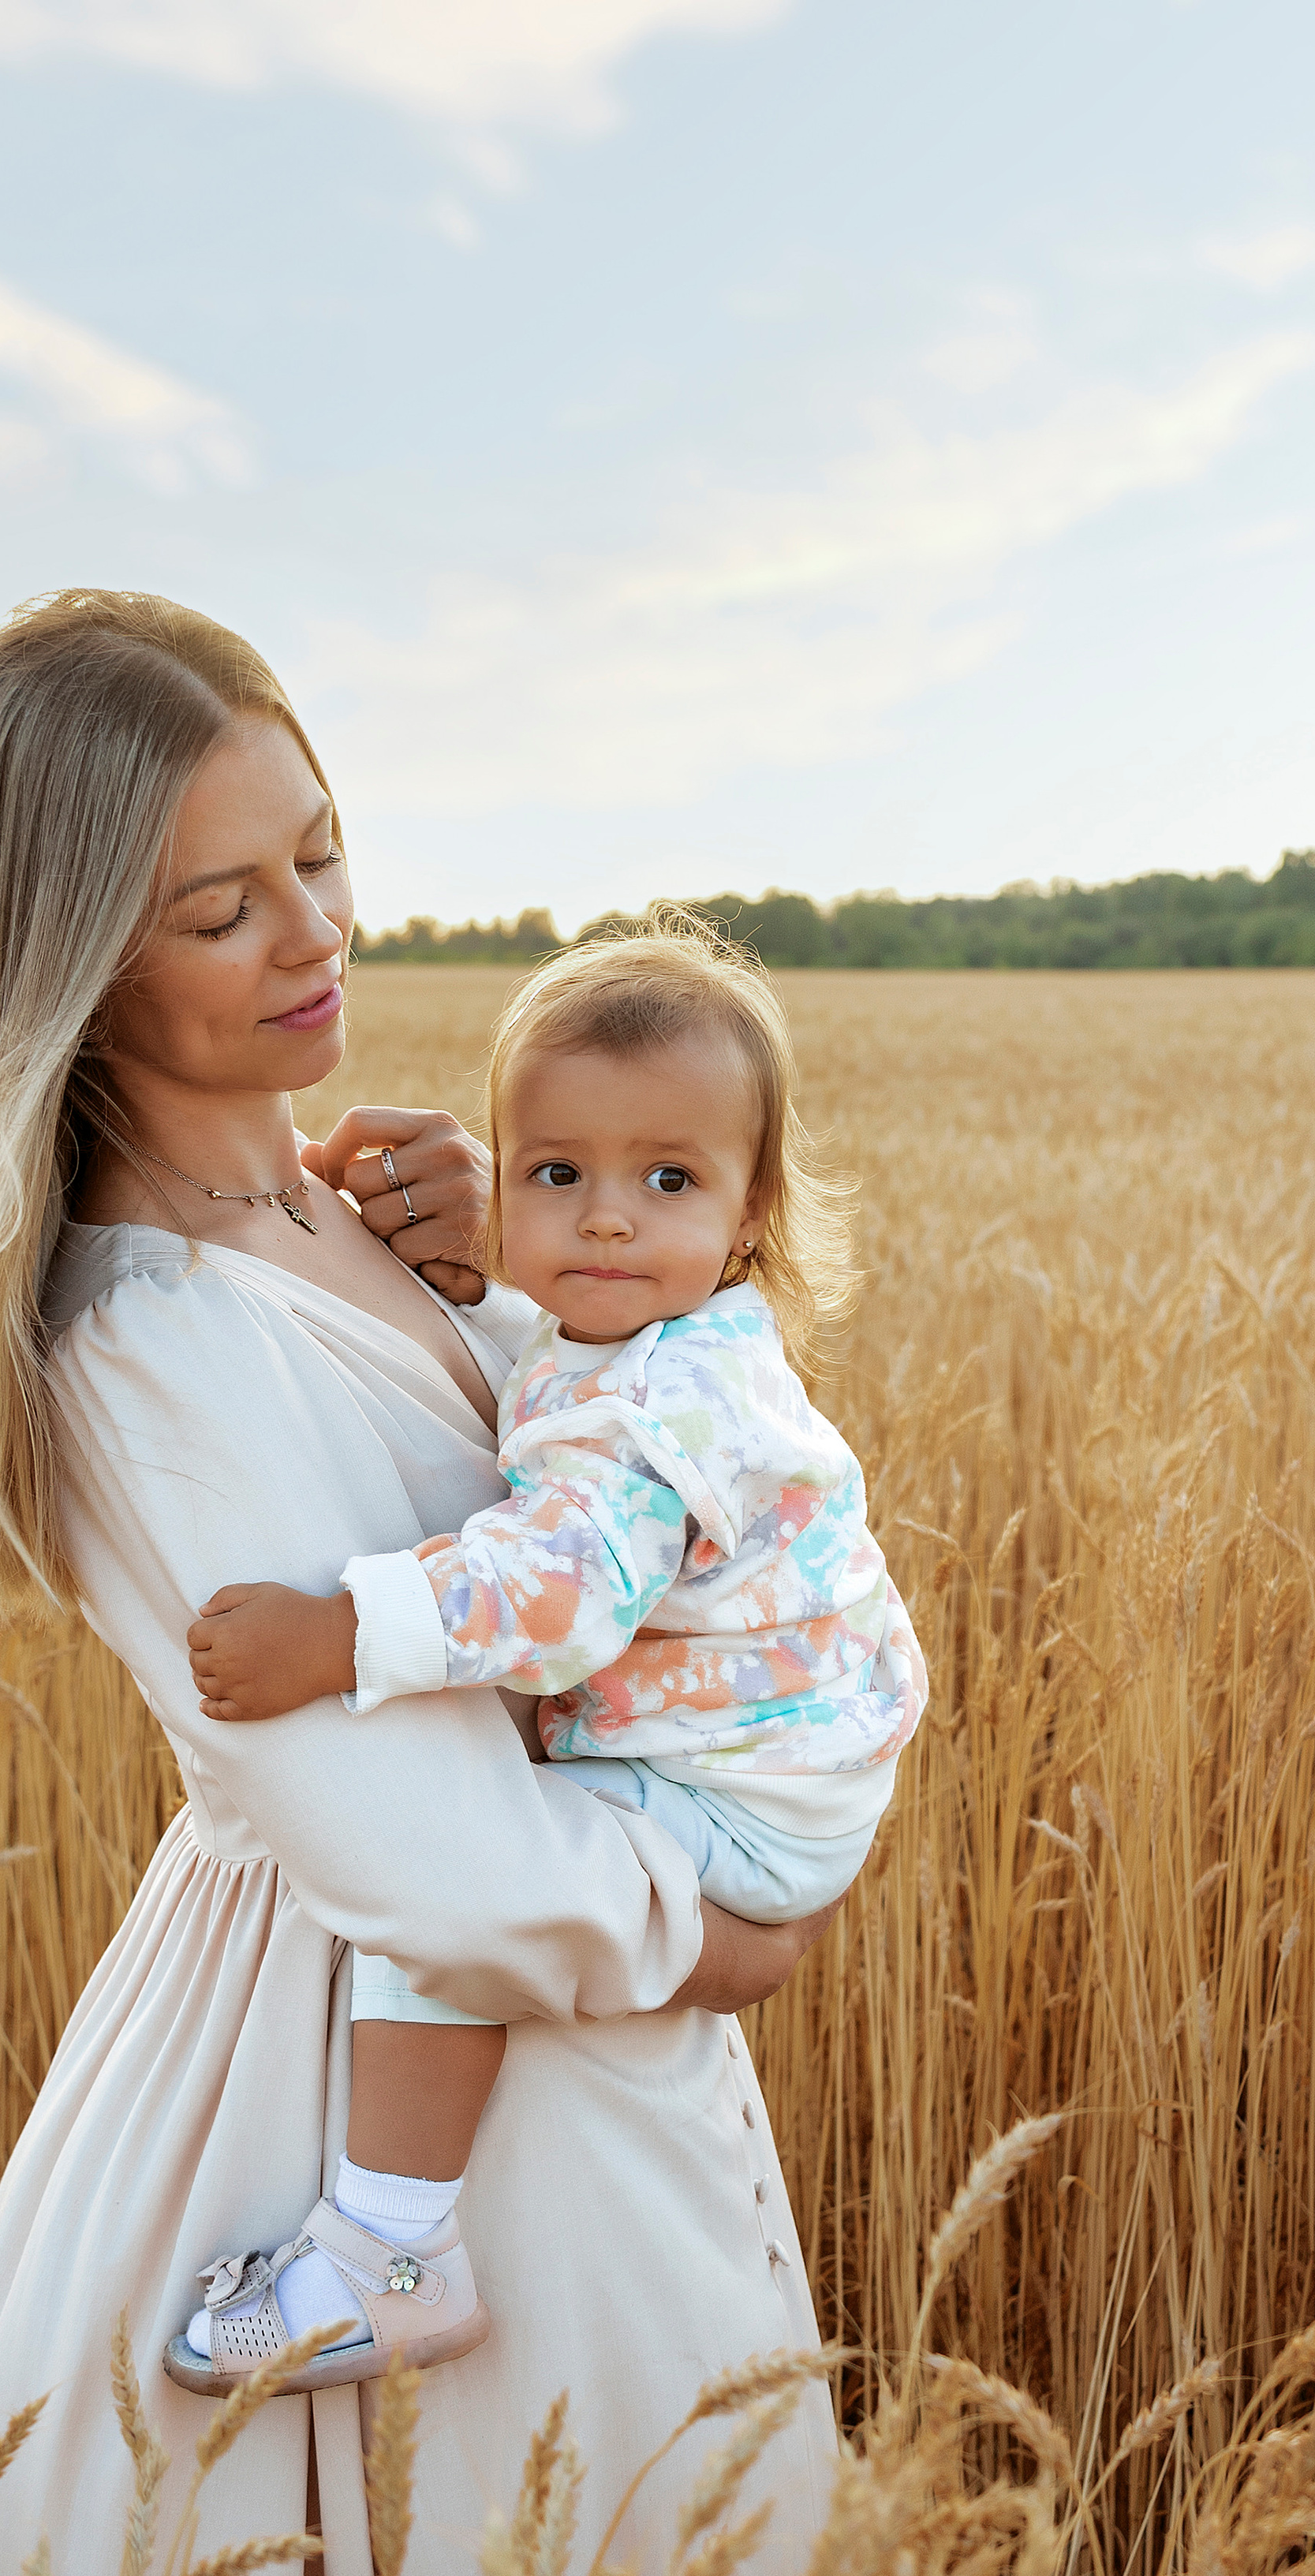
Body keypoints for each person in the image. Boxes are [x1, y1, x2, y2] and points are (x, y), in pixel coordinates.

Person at [0, 589, 842, 2576]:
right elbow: (418, 1851)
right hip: (376, 2081)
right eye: (222, 905)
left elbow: (632, 1502)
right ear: (72, 966)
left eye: (323, 852)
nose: (317, 935)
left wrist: (515, 1276)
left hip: (536, 2017)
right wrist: (726, 1929)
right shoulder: (140, 1337)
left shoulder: (360, 1207)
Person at [173, 920, 928, 2393]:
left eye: (668, 1180)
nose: (606, 1222)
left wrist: (343, 1634)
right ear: (501, 1180)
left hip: (741, 1796)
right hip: (785, 1755)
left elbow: (562, 1595)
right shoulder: (673, 1337)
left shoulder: (644, 1413)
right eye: (558, 1174)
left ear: (751, 1210)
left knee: (454, 1887)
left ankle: (393, 2251)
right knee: (468, 1858)